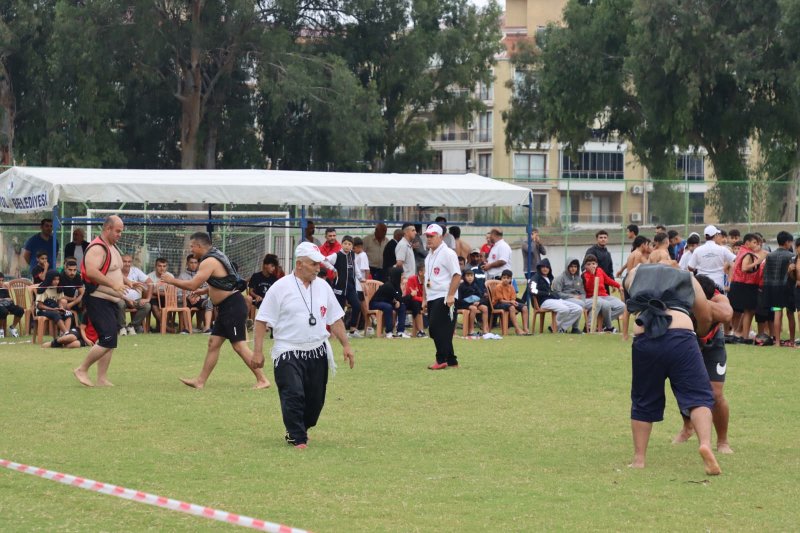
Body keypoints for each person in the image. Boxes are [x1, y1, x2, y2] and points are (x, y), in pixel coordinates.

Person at [624, 263, 726, 475]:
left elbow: (631, 303)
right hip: (681, 335)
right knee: (699, 396)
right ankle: (705, 443)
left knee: (643, 398)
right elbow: (705, 314)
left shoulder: (635, 274)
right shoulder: (687, 277)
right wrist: (699, 332)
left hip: (645, 337)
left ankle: (639, 459)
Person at [251, 242, 355, 449]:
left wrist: (346, 345)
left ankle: (302, 427)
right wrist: (257, 352)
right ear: (299, 264)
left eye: (319, 264)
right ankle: (297, 436)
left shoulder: (323, 286)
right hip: (288, 350)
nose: (318, 268)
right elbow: (261, 320)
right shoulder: (280, 287)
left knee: (315, 401)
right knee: (293, 393)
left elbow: (335, 318)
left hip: (317, 350)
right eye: (313, 264)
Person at [161, 232, 270, 389]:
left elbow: (192, 284)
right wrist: (204, 292)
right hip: (226, 306)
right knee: (213, 343)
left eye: (192, 246)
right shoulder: (215, 255)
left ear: (199, 246)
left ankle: (262, 379)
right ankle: (200, 381)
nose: (190, 249)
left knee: (238, 345)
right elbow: (223, 282)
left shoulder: (209, 261)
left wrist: (171, 281)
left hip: (232, 306)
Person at [672, 274, 734, 455]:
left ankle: (722, 441)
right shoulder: (680, 295)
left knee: (715, 394)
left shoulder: (718, 297)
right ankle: (687, 427)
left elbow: (727, 314)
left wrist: (703, 306)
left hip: (713, 344)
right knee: (683, 387)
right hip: (687, 341)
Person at [73, 215, 127, 388]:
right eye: (118, 231)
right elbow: (92, 272)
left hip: (110, 301)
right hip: (98, 299)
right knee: (108, 338)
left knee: (110, 341)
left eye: (121, 231)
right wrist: (114, 285)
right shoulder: (97, 248)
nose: (120, 234)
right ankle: (81, 369)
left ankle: (102, 378)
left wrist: (128, 282)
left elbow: (115, 271)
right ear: (108, 228)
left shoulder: (112, 247)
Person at [423, 223, 461, 370]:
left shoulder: (448, 253)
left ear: (440, 237)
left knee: (435, 327)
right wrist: (425, 299)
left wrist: (451, 295)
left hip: (444, 295)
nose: (429, 239)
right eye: (427, 236)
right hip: (432, 295)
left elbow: (457, 275)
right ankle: (451, 360)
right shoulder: (429, 256)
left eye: (432, 236)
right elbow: (426, 278)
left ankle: (441, 359)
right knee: (440, 329)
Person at [529, 259, 582, 334]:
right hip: (543, 302)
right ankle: (556, 327)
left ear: (549, 269)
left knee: (578, 309)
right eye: (543, 267)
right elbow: (532, 290)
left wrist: (551, 294)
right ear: (539, 268)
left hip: (554, 300)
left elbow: (551, 293)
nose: (545, 269)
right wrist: (547, 293)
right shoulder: (536, 277)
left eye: (547, 267)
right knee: (565, 309)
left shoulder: (549, 278)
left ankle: (560, 328)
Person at [727, 234, 763, 341]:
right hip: (746, 285)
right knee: (749, 311)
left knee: (737, 311)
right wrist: (757, 261)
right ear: (747, 243)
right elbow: (744, 268)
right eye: (754, 242)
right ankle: (745, 336)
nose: (756, 245)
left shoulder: (741, 251)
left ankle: (733, 333)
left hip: (738, 284)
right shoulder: (747, 253)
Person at [763, 231, 796, 347]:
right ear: (787, 242)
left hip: (773, 288)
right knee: (790, 314)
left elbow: (765, 274)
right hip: (787, 288)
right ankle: (792, 341)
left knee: (777, 313)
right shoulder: (791, 256)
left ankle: (777, 341)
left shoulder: (769, 255)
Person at [329, 236, 363, 338]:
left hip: (351, 286)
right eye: (345, 244)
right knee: (339, 310)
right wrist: (333, 269)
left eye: (349, 244)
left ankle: (352, 330)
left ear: (352, 246)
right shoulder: (337, 255)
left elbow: (355, 266)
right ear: (342, 244)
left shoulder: (352, 254)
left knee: (357, 305)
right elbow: (324, 261)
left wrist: (360, 277)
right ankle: (339, 332)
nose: (347, 246)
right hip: (339, 286)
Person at [582, 254, 624, 332]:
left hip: (604, 295)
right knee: (606, 304)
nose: (592, 266)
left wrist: (618, 285)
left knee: (622, 306)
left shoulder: (600, 270)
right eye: (589, 264)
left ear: (597, 264)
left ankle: (603, 323)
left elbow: (607, 280)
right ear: (585, 266)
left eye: (593, 264)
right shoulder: (585, 275)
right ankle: (608, 327)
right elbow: (589, 287)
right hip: (592, 296)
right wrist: (592, 274)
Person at [687, 225, 736, 292]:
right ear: (715, 235)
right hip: (718, 284)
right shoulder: (722, 249)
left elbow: (690, 267)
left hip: (702, 284)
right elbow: (735, 260)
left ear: (705, 236)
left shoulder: (698, 250)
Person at [551, 258, 593, 333]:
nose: (573, 269)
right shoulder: (560, 278)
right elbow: (557, 293)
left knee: (595, 303)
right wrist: (572, 296)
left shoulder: (579, 278)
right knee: (580, 304)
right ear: (567, 267)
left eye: (575, 267)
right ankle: (573, 328)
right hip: (565, 299)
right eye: (571, 267)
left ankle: (589, 327)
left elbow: (582, 292)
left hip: (579, 299)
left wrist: (582, 300)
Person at [370, 267, 410, 338]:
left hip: (387, 302)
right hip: (375, 303)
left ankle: (400, 331)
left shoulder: (397, 285)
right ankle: (389, 332)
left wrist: (397, 302)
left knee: (402, 306)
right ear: (396, 275)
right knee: (388, 307)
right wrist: (411, 296)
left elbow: (398, 299)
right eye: (401, 275)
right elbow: (400, 298)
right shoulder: (389, 285)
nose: (403, 277)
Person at [117, 254, 151, 335]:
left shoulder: (136, 271)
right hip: (121, 298)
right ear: (120, 262)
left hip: (136, 300)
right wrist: (127, 300)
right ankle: (122, 328)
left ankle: (131, 326)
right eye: (125, 261)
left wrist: (148, 298)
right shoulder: (116, 272)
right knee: (120, 304)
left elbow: (150, 283)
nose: (127, 264)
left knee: (147, 306)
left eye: (129, 262)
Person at [178, 254, 213, 333]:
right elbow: (179, 292)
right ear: (187, 263)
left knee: (209, 303)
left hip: (199, 299)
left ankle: (207, 328)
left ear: (198, 264)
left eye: (195, 263)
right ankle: (186, 329)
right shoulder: (182, 276)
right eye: (191, 263)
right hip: (186, 300)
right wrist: (189, 297)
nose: (193, 265)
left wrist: (199, 297)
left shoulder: (202, 275)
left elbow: (206, 289)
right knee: (184, 304)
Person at [492, 269, 530, 335]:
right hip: (498, 304)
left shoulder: (511, 287)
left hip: (509, 303)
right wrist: (511, 302)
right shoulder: (498, 287)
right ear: (501, 278)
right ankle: (517, 329)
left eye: (508, 278)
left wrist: (512, 301)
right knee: (512, 307)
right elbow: (501, 300)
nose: (506, 279)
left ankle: (525, 328)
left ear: (510, 279)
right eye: (504, 278)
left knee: (524, 307)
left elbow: (513, 298)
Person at [35, 270, 72, 337]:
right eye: (54, 280)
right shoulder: (43, 288)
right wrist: (53, 309)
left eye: (58, 279)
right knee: (55, 314)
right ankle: (66, 333)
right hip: (42, 310)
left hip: (54, 308)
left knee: (68, 313)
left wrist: (60, 307)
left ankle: (63, 334)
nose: (56, 282)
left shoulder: (58, 288)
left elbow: (59, 302)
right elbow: (40, 306)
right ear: (49, 279)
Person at [456, 269, 489, 337]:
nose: (470, 277)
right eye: (468, 276)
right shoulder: (461, 286)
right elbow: (459, 300)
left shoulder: (475, 285)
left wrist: (479, 302)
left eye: (471, 275)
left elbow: (481, 296)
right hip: (464, 304)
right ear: (464, 277)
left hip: (475, 303)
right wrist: (469, 303)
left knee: (485, 308)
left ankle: (485, 329)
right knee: (473, 308)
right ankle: (471, 330)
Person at [147, 258, 174, 332]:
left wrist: (156, 292)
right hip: (154, 299)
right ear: (155, 266)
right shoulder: (149, 276)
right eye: (159, 266)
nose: (162, 268)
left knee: (168, 301)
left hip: (166, 298)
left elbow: (171, 292)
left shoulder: (170, 276)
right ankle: (166, 327)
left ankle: (162, 327)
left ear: (167, 267)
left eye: (164, 266)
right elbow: (147, 292)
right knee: (153, 302)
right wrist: (157, 292)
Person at [403, 263, 427, 337]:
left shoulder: (428, 281)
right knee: (416, 303)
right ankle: (420, 331)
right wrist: (424, 300)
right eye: (426, 271)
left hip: (422, 303)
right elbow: (412, 297)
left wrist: (425, 301)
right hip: (409, 302)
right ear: (420, 272)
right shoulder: (412, 279)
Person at [0, 272, 23, 338]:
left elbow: (11, 298)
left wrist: (8, 298)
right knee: (3, 311)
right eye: (0, 281)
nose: (1, 282)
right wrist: (2, 299)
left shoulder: (5, 288)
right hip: (1, 306)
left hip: (7, 304)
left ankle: (12, 327)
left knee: (20, 310)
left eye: (2, 280)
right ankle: (1, 329)